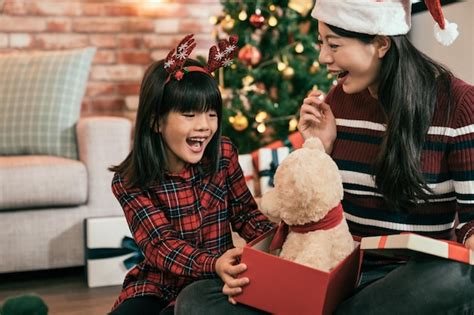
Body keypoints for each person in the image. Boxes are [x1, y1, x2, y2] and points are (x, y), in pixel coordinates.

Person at [298, 0, 474, 314]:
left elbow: (472, 222)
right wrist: (318, 150)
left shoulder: (458, 105)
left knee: (458, 277)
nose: (323, 57)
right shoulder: (339, 99)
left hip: (412, 280)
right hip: (343, 273)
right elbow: (314, 216)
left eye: (334, 45)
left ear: (380, 44)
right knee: (201, 295)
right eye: (321, 43)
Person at [108, 34, 273, 315]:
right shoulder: (129, 181)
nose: (204, 126)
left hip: (214, 281)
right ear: (156, 121)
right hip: (158, 283)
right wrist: (214, 262)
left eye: (211, 114)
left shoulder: (223, 154)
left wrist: (278, 244)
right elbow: (162, 245)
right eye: (189, 115)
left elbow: (245, 214)